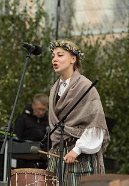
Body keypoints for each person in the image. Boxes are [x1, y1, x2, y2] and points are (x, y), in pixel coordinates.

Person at [47, 39, 110, 186]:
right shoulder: (54, 89)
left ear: (73, 59)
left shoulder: (85, 86)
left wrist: (77, 149)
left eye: (60, 55)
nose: (54, 59)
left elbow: (96, 125)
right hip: (58, 155)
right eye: (53, 56)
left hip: (80, 158)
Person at [13, 93, 49, 169]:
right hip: (24, 160)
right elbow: (16, 139)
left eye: (44, 110)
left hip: (43, 158)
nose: (41, 112)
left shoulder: (48, 121)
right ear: (33, 106)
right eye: (39, 109)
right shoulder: (22, 119)